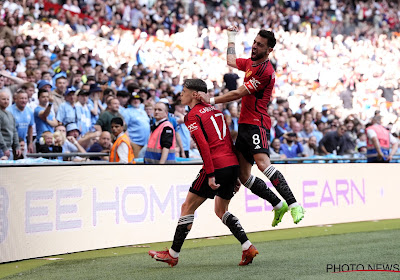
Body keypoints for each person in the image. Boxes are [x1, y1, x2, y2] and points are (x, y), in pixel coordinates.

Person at [197, 27, 305, 227]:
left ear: (269, 50)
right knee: (243, 176)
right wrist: (231, 37)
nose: (255, 47)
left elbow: (238, 94)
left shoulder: (265, 71)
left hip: (258, 123)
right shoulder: (250, 63)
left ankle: (294, 204)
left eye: (260, 45)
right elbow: (230, 61)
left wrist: (210, 99)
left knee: (263, 164)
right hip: (245, 125)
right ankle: (277, 204)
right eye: (255, 42)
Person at [149, 79, 258, 267]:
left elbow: (203, 145)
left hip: (215, 166)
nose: (180, 94)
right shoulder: (218, 112)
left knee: (187, 207)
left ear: (194, 94)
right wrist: (236, 173)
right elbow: (227, 141)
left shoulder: (193, 115)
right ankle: (247, 246)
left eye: (183, 91)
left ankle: (173, 254)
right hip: (231, 164)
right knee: (221, 210)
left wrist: (210, 173)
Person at [7, 89, 34, 153]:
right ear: (16, 99)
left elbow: (30, 127)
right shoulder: (9, 111)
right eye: (21, 98)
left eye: (25, 98)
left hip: (23, 143)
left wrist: (30, 143)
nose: (24, 100)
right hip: (10, 143)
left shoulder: (29, 111)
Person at [0, 90, 21, 159]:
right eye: (3, 99)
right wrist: (4, 147)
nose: (6, 101)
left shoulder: (10, 114)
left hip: (9, 148)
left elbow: (14, 131)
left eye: (7, 99)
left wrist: (17, 146)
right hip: (2, 149)